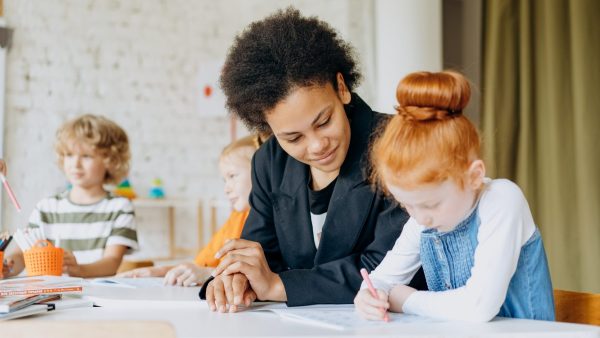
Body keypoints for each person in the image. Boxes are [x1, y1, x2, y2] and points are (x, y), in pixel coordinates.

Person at [202, 8, 426, 313]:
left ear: (342, 88)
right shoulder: (269, 162)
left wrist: (277, 286)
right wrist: (237, 278)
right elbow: (260, 253)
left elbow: (388, 267)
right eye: (293, 138)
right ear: (269, 130)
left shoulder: (400, 144)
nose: (318, 145)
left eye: (324, 121)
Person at [354, 71, 554, 322]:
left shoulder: (502, 200)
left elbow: (478, 306)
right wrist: (368, 295)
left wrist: (405, 299)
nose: (421, 218)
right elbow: (383, 278)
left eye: (431, 204)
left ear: (474, 176)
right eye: (407, 206)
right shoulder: (423, 219)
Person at [2, 114, 138, 278]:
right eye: (69, 155)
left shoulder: (119, 207)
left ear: (110, 160)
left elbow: (112, 262)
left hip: (98, 299)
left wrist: (78, 269)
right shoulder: (47, 208)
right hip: (54, 298)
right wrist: (6, 266)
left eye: (86, 156)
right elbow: (22, 255)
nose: (75, 164)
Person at [118, 135, 260, 286]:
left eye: (232, 176)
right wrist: (159, 272)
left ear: (262, 172)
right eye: (224, 180)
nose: (226, 189)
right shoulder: (237, 217)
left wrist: (206, 274)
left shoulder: (269, 221)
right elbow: (201, 265)